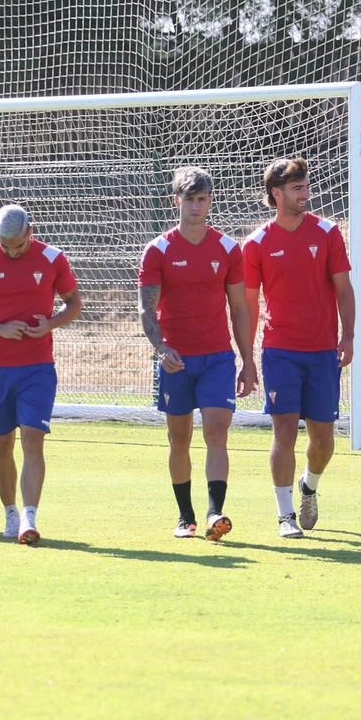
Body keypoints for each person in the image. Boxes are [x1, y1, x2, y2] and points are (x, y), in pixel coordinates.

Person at [138, 167, 256, 541]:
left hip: (217, 357)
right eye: (189, 199)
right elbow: (146, 309)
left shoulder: (227, 248)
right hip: (177, 359)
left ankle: (214, 513)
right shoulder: (158, 250)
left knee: (217, 432)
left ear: (210, 202)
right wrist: (161, 348)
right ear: (177, 201)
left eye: (202, 199)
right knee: (179, 439)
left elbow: (240, 308)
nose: (196, 206)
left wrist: (248, 360)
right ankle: (185, 516)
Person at [0, 204, 82, 544]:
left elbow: (73, 301)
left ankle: (29, 517)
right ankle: (10, 512)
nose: (11, 253)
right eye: (5, 246)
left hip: (38, 367)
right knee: (3, 444)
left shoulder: (53, 258)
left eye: (18, 247)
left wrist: (51, 324)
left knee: (32, 439)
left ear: (30, 232)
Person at [241, 158, 355, 539]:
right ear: (277, 193)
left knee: (323, 438)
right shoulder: (255, 243)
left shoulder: (327, 232)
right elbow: (249, 304)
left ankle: (309, 486)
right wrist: (247, 358)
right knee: (284, 432)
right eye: (297, 188)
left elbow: (344, 288)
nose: (305, 194)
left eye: (306, 187)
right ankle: (285, 515)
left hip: (323, 351)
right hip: (279, 351)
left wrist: (350, 336)